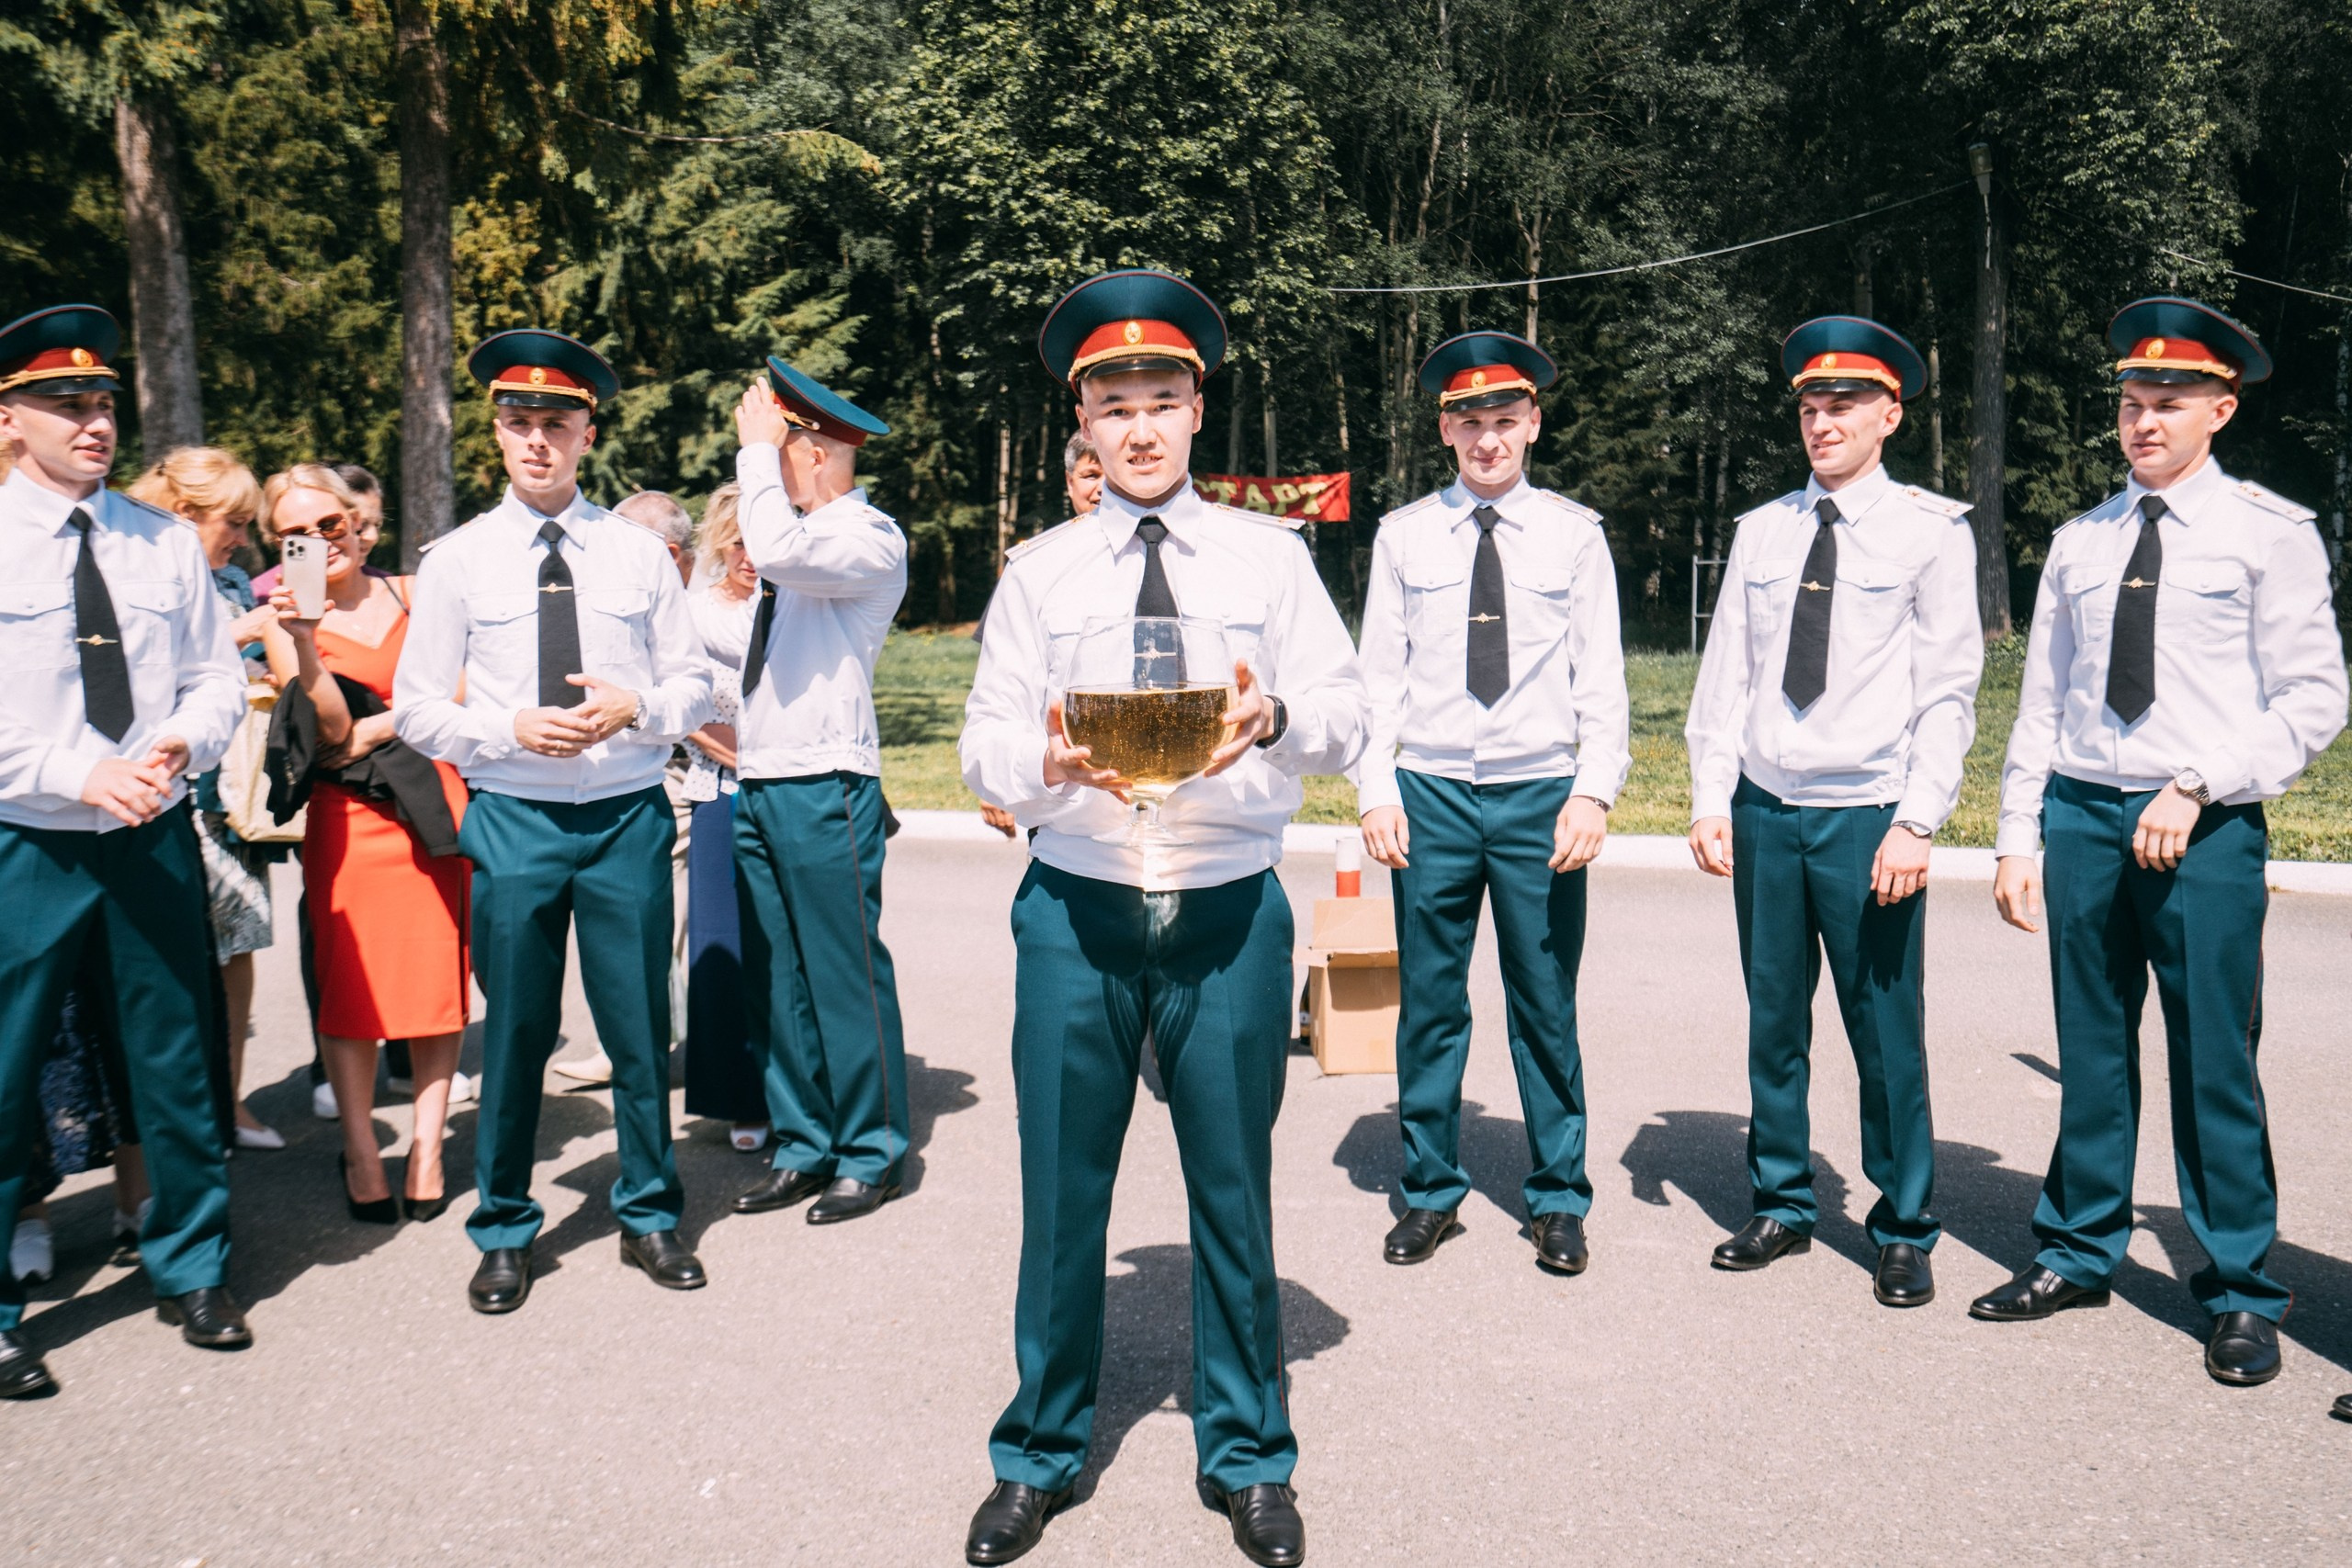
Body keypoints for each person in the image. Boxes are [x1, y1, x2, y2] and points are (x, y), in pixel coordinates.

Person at [959, 269, 1365, 1567]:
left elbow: (1353, 716)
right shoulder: (1038, 570)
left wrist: (1281, 717)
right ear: (1082, 419)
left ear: (1200, 408)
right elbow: (980, 747)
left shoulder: (1271, 557)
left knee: (1234, 1195)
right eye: (1113, 404)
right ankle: (1039, 1449)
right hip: (1076, 909)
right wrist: (1042, 767)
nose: (1139, 427)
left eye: (1162, 399)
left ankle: (1248, 1453)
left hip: (1226, 907)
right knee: (1061, 1197)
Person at [1973, 297, 2347, 1390]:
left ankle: (2237, 1291)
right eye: (2131, 402)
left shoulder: (2267, 535)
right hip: (2084, 815)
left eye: (2167, 402)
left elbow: (2313, 699)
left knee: (2212, 1064)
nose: (2142, 422)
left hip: (2205, 828)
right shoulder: (2081, 541)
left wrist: (2200, 782)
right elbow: (2042, 701)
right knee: (2090, 1050)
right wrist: (2016, 835)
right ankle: (2078, 1250)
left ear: (2219, 411)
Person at [393, 328, 714, 1314]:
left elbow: (696, 683)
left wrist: (640, 710)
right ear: (497, 433)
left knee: (636, 1026)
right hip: (516, 816)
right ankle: (502, 1223)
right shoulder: (456, 560)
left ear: (587, 434)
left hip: (623, 814)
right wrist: (507, 725)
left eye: (555, 424)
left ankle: (650, 1214)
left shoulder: (637, 554)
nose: (535, 440)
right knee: (520, 1030)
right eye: (518, 422)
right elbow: (414, 706)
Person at [1682, 316, 1982, 1309]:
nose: (1822, 422)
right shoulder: (1762, 530)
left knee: (1883, 1026)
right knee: (1774, 1019)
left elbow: (1948, 691)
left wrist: (1919, 819)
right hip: (1767, 809)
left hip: (1867, 815)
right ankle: (1781, 1201)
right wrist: (1709, 795)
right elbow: (1725, 674)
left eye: (1844, 404)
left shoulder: (1932, 532)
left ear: (1890, 413)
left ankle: (1902, 1225)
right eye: (1810, 406)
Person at [0, 303, 255, 1400]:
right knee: (5, 1071)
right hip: (29, 840)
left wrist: (179, 746)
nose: (93, 422)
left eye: (103, 403)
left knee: (175, 1059)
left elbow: (213, 676)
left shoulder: (159, 543)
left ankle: (191, 1265)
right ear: (11, 418)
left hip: (149, 827)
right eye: (67, 404)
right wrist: (73, 771)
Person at [1352, 330, 1628, 1276]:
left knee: (1543, 1003)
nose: (1487, 440)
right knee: (1429, 1003)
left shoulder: (1573, 534)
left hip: (1537, 795)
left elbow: (1602, 676)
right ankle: (1431, 1190)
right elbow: (1374, 679)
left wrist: (1593, 790)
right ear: (1443, 430)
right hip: (1429, 792)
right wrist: (1374, 789)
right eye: (1469, 422)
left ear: (1533, 426)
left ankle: (1557, 1197)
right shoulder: (1403, 536)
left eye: (1504, 421)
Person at [723, 355, 911, 1225]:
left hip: (825, 780)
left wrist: (755, 455)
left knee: (841, 973)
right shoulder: (799, 541)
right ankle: (804, 1143)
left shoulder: (865, 536)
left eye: (778, 440)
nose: (762, 452)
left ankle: (870, 1148)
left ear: (811, 450)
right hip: (763, 776)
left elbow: (775, 548)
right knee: (779, 977)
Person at [258, 463, 472, 1224]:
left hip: (433, 809)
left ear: (358, 524)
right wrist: (307, 641)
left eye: (329, 525)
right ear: (277, 544)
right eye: (295, 534)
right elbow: (331, 731)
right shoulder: (286, 625)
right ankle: (358, 1148)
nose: (318, 541)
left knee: (437, 989)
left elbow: (465, 684)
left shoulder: (413, 592)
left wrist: (392, 719)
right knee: (351, 993)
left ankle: (428, 1145)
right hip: (347, 818)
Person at [125, 446, 288, 1152]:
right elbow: (135, 671)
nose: (245, 539)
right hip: (157, 796)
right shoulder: (126, 563)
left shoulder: (228, 578)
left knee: (237, 949)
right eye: (235, 521)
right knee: (164, 972)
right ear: (184, 514)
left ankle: (232, 1098)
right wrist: (239, 635)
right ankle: (160, 1136)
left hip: (228, 798)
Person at [550, 487, 703, 1088]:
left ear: (665, 551)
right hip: (665, 772)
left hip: (684, 780)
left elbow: (701, 703)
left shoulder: (687, 603)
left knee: (652, 930)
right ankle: (635, 1045)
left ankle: (637, 1051)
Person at [673, 483, 770, 1149]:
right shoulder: (694, 614)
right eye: (738, 540)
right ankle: (741, 1096)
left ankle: (795, 1086)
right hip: (722, 788)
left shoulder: (795, 604)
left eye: (761, 540)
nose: (749, 555)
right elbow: (691, 714)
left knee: (782, 947)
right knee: (725, 945)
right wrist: (753, 760)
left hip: (792, 791)